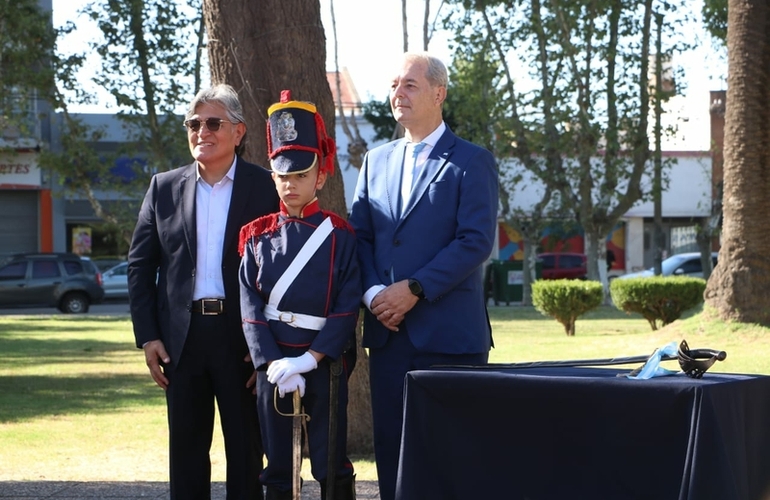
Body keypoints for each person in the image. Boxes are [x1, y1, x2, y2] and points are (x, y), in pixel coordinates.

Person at [348, 52, 499, 500]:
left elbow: (474, 241)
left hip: (451, 338)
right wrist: (376, 293)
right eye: (394, 84)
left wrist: (414, 289)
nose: (398, 93)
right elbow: (360, 238)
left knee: (453, 459)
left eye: (410, 84)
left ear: (439, 93)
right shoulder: (375, 161)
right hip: (389, 336)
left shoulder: (472, 161)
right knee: (394, 458)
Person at [127, 83, 279, 500]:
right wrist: (149, 337)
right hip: (182, 341)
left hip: (242, 340)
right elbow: (140, 266)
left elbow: (282, 269)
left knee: (248, 455)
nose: (202, 132)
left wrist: (267, 343)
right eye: (193, 124)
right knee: (187, 456)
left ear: (239, 132)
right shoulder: (163, 187)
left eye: (214, 123)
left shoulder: (267, 188)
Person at [238, 90, 360, 500]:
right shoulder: (255, 237)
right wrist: (274, 363)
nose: (290, 184)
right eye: (282, 176)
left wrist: (311, 359)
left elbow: (346, 305)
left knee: (331, 462)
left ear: (320, 177)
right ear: (272, 176)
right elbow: (250, 305)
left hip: (325, 363)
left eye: (300, 175)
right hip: (274, 365)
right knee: (278, 467)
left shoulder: (340, 237)